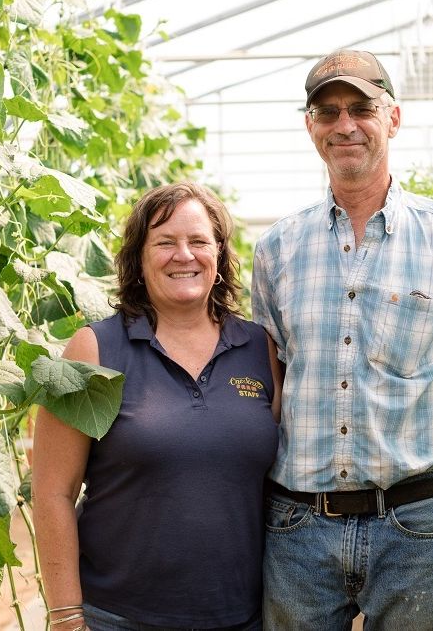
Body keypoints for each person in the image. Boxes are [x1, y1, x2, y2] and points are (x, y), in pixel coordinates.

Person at [251, 49, 433, 630]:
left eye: (361, 108)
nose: (345, 125)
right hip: (299, 527)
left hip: (415, 523)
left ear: (392, 118)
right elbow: (275, 390)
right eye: (327, 112)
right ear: (311, 127)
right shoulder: (276, 250)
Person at [33, 182, 281, 631]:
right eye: (164, 242)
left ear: (220, 255)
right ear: (139, 259)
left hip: (243, 616)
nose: (183, 255)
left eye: (198, 241)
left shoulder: (259, 347)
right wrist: (66, 617)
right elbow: (52, 493)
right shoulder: (93, 350)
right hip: (117, 617)